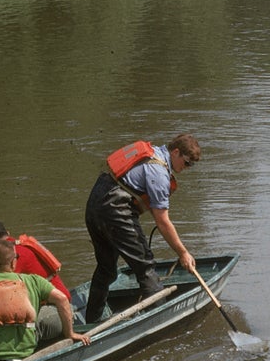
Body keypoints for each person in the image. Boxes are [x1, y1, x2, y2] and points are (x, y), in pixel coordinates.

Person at [83, 133, 201, 323]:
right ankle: (163, 319)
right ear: (176, 152)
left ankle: (91, 320)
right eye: (186, 163)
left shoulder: (152, 152)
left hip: (95, 203)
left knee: (106, 268)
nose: (186, 168)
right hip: (115, 210)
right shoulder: (160, 174)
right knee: (145, 265)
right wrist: (183, 252)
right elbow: (162, 221)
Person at [0, 219, 69, 299]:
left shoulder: (3, 260)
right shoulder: (25, 245)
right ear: (8, 233)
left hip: (52, 302)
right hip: (61, 294)